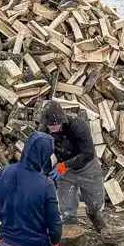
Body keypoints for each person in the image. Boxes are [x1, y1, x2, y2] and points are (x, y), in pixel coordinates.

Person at [41, 100, 107, 234]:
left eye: (56, 124)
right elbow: (44, 153)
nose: (53, 127)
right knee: (66, 209)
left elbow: (87, 153)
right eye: (49, 125)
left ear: (62, 120)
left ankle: (93, 214)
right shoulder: (44, 132)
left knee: (96, 202)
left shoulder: (78, 126)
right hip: (65, 171)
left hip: (87, 167)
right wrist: (47, 174)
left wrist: (65, 166)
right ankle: (70, 231)